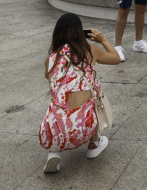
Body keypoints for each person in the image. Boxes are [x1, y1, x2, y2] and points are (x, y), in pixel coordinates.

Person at [39, 12, 121, 173]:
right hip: (83, 128)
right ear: (79, 32)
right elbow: (116, 58)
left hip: (52, 131)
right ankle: (93, 145)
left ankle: (54, 153)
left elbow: (48, 77)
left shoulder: (51, 59)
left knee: (57, 101)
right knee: (94, 94)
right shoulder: (91, 51)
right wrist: (103, 40)